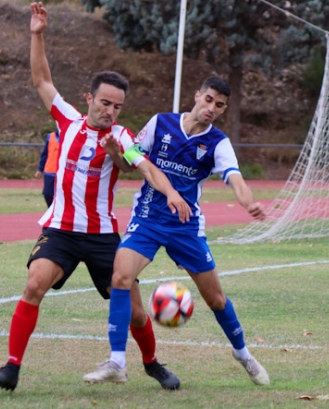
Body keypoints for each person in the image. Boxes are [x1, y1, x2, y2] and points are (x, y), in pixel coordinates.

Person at [0, 2, 192, 392]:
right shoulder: (67, 119)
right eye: (105, 103)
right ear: (90, 98)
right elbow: (41, 80)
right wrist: (37, 34)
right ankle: (11, 368)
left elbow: (143, 168)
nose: (111, 110)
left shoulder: (124, 137)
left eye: (118, 106)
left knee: (134, 311)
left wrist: (170, 192)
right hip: (61, 229)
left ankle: (151, 363)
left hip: (101, 236)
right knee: (34, 284)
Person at [83, 77, 271, 386]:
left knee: (216, 300)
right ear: (197, 95)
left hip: (186, 227)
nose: (211, 108)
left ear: (223, 109)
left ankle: (243, 354)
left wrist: (248, 202)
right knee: (120, 276)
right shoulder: (161, 123)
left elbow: (234, 177)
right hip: (148, 218)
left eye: (219, 105)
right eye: (208, 99)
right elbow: (133, 163)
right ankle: (117, 361)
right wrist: (117, 152)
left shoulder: (217, 142)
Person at [34, 129, 60, 207]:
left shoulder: (70, 136)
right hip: (49, 171)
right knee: (47, 194)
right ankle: (51, 210)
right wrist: (40, 169)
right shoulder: (50, 136)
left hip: (63, 173)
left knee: (61, 195)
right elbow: (44, 154)